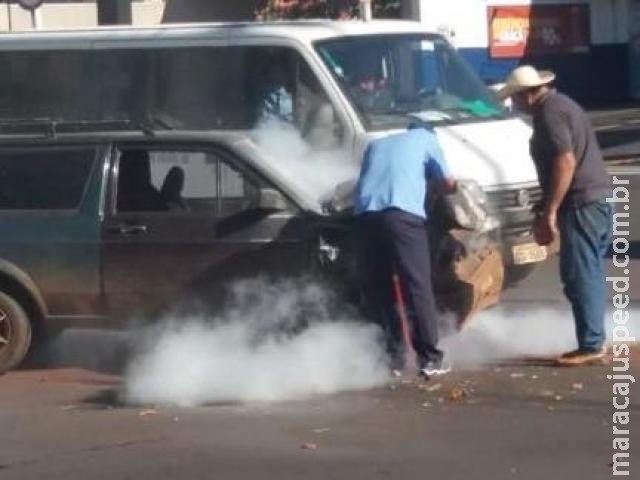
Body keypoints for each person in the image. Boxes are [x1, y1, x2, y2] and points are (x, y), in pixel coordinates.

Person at [497, 65, 613, 366]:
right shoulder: (563, 106)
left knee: (580, 274)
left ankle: (591, 343)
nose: (516, 104)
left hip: (581, 203)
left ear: (528, 94)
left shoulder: (550, 113)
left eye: (516, 98)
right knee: (588, 272)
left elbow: (565, 161)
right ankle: (593, 337)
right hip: (595, 199)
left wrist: (549, 210)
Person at [354, 121, 456, 378]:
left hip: (365, 218)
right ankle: (430, 359)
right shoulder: (427, 139)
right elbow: (447, 182)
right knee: (417, 285)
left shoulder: (376, 143)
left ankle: (392, 359)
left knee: (380, 289)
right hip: (402, 216)